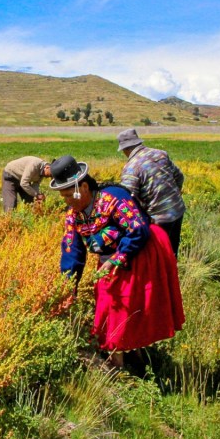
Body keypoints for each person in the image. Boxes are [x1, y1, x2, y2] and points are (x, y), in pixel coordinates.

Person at [50, 155, 184, 367]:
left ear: (83, 187)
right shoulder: (73, 216)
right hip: (109, 260)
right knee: (109, 305)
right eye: (63, 197)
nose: (67, 201)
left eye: (69, 195)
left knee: (122, 306)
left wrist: (116, 260)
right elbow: (72, 253)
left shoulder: (113, 198)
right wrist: (67, 289)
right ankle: (130, 357)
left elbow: (138, 229)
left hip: (139, 253)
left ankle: (118, 365)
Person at [117, 129, 185, 257]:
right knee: (172, 251)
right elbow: (179, 176)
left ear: (125, 149)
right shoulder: (161, 154)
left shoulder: (131, 167)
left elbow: (127, 200)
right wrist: (173, 197)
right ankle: (174, 273)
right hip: (177, 209)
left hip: (158, 219)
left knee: (159, 256)